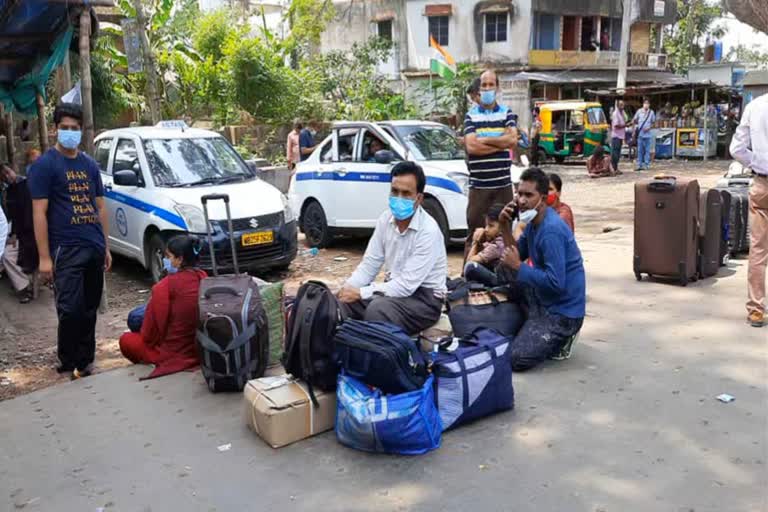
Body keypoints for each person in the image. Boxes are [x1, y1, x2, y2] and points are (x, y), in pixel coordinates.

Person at [28, 102, 112, 380]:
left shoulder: (89, 165)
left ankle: (85, 362)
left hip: (94, 247)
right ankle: (67, 358)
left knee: (89, 309)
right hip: (66, 249)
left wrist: (107, 247)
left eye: (74, 129)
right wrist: (44, 258)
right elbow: (39, 213)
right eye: (64, 128)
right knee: (70, 309)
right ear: (55, 130)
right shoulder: (44, 166)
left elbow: (99, 207)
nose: (70, 133)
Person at [338, 161, 447, 335]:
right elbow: (369, 265)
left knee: (378, 309)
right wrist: (348, 288)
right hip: (394, 290)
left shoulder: (429, 231)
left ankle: (377, 358)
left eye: (406, 194)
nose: (399, 198)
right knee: (341, 304)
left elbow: (407, 286)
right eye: (394, 192)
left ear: (419, 198)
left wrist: (361, 293)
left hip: (424, 299)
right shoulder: (385, 220)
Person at [496, 167, 586, 369]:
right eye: (519, 194)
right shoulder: (533, 224)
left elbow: (556, 284)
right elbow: (513, 255)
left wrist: (519, 266)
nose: (521, 200)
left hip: (562, 311)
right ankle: (532, 322)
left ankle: (562, 337)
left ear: (543, 198)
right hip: (543, 296)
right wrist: (503, 225)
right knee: (502, 270)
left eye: (529, 195)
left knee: (516, 359)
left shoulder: (551, 231)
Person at [119, 235, 207, 378]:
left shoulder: (164, 287)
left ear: (180, 260)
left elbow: (149, 335)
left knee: (126, 339)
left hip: (173, 353)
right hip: (200, 349)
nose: (166, 261)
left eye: (169, 256)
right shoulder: (203, 277)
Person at [463, 69, 518, 260]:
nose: (487, 88)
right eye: (483, 85)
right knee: (475, 236)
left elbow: (512, 140)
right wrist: (498, 140)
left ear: (497, 87)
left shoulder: (506, 113)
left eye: (490, 84)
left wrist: (484, 139)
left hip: (503, 186)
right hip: (479, 188)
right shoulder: (470, 116)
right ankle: (468, 277)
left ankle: (503, 279)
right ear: (479, 88)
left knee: (505, 235)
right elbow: (471, 146)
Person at [730, 92, 768, 328]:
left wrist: (758, 162)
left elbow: (737, 148)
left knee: (758, 249)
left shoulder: (755, 106)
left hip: (762, 184)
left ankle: (756, 310)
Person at [0, 163, 37, 303]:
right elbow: (16, 217)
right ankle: (24, 286)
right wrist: (15, 233)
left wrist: (17, 234)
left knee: (8, 256)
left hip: (33, 234)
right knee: (6, 254)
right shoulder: (10, 192)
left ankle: (26, 286)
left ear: (13, 170)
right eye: (3, 176)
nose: (7, 176)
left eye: (8, 172)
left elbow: (29, 215)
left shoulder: (27, 185)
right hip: (22, 234)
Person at [464, 203, 506, 287]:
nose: (486, 229)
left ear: (503, 227)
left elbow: (469, 261)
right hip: (500, 278)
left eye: (491, 226)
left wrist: (476, 241)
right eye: (486, 225)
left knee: (471, 267)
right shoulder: (497, 241)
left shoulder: (497, 245)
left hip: (500, 282)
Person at [631, 99, 656, 171]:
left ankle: (646, 165)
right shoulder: (639, 111)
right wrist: (633, 131)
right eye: (645, 103)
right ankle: (639, 165)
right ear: (643, 104)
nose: (646, 105)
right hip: (640, 134)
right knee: (640, 150)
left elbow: (654, 123)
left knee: (647, 151)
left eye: (647, 104)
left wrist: (649, 128)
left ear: (649, 105)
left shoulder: (651, 112)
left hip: (648, 135)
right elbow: (634, 120)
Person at [611, 99, 627, 172]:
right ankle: (613, 168)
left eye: (623, 105)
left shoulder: (622, 113)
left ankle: (615, 168)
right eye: (621, 105)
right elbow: (616, 125)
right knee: (615, 153)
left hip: (620, 136)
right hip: (616, 136)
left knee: (617, 153)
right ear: (618, 106)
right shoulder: (615, 114)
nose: (622, 106)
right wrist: (625, 125)